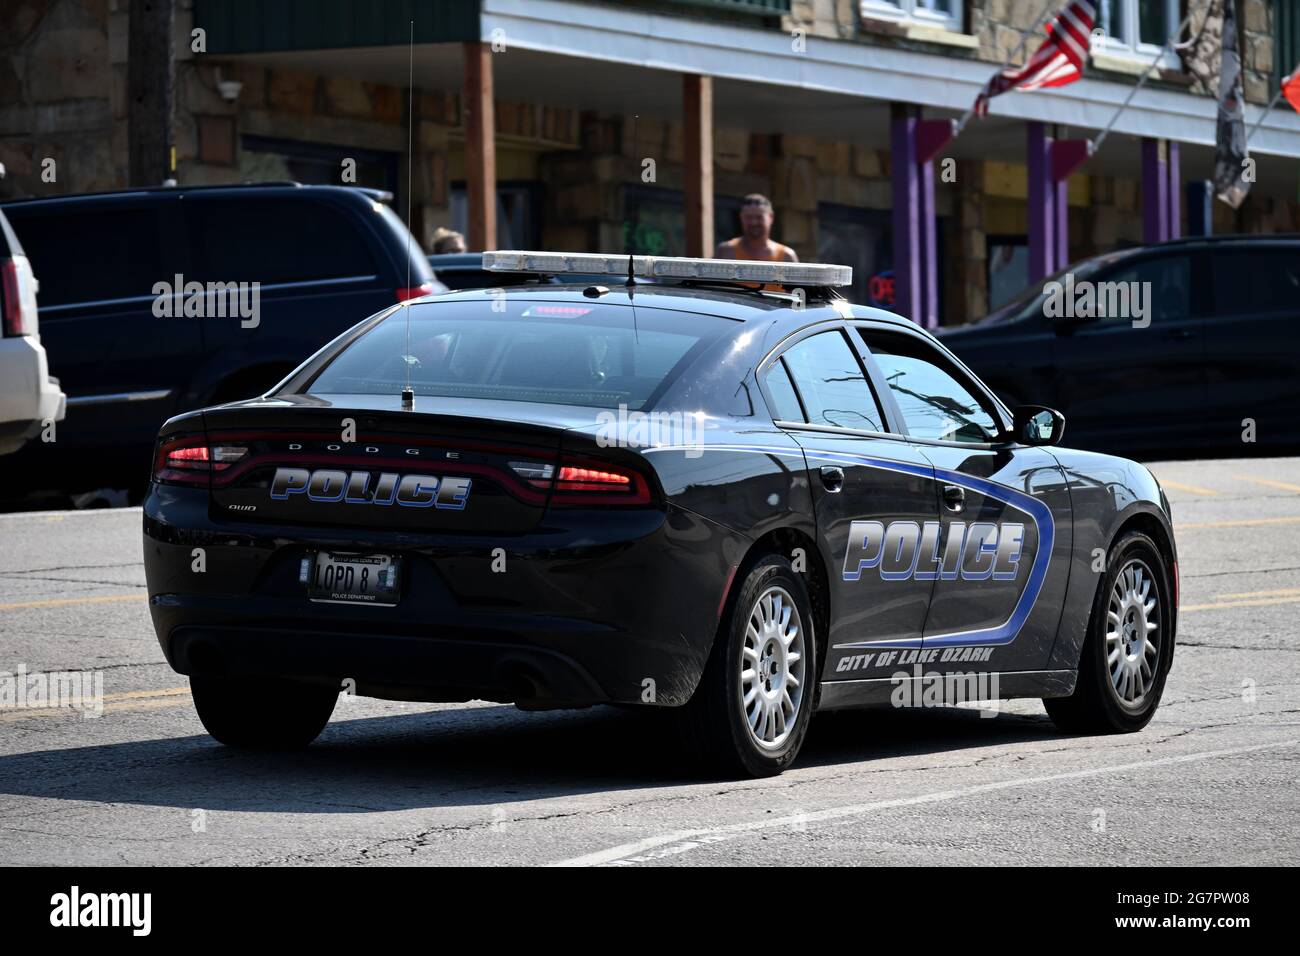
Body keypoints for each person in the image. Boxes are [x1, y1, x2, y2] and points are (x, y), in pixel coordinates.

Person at [714, 194, 798, 263]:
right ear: (741, 217)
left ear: (771, 217)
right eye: (749, 217)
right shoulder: (725, 252)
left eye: (759, 217)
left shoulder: (786, 256)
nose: (754, 222)